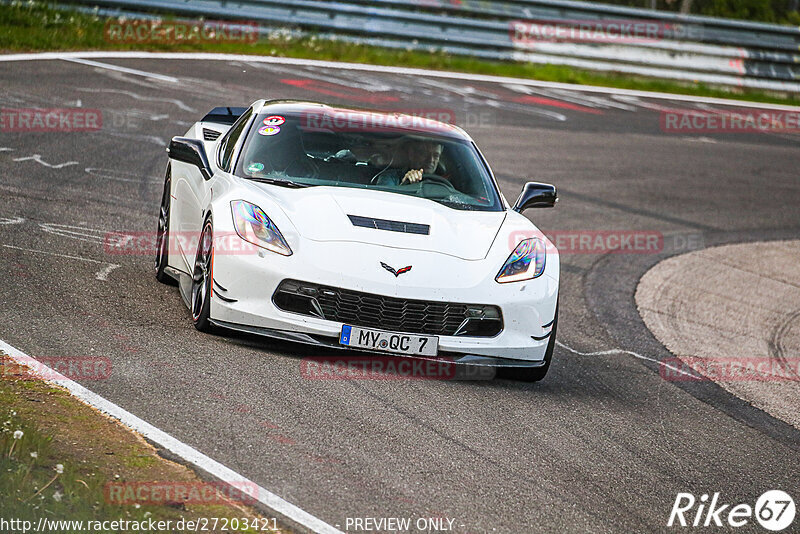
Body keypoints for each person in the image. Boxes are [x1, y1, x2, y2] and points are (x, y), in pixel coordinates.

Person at [375, 139, 444, 186]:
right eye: (424, 154)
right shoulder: (390, 177)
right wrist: (404, 184)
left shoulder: (443, 183)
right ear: (411, 154)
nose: (431, 160)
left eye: (436, 156)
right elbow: (384, 202)